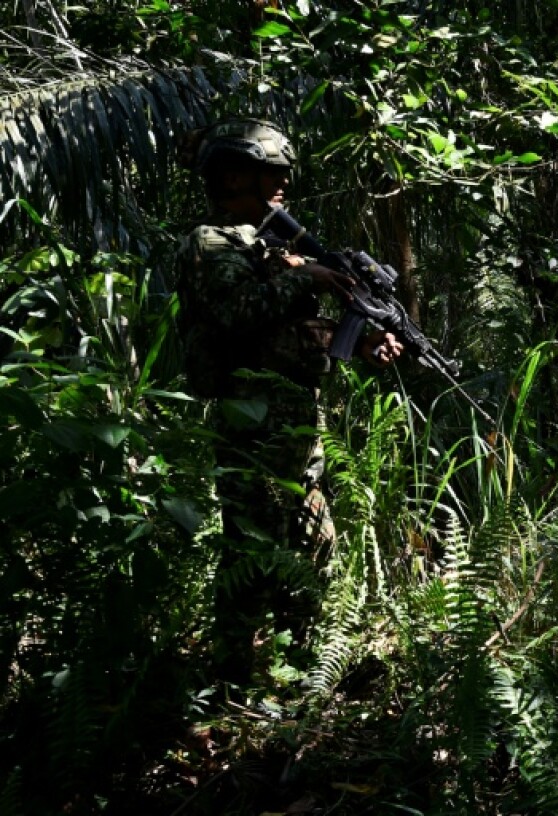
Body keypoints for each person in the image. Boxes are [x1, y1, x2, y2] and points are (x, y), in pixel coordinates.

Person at [174, 118, 403, 682]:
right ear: (231, 178)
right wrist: (309, 279)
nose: (281, 185)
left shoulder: (274, 250)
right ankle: (232, 677)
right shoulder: (213, 243)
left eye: (283, 174)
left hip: (300, 428)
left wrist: (364, 339)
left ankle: (308, 668)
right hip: (251, 424)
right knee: (250, 554)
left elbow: (285, 333)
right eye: (268, 173)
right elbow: (233, 316)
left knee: (313, 550)